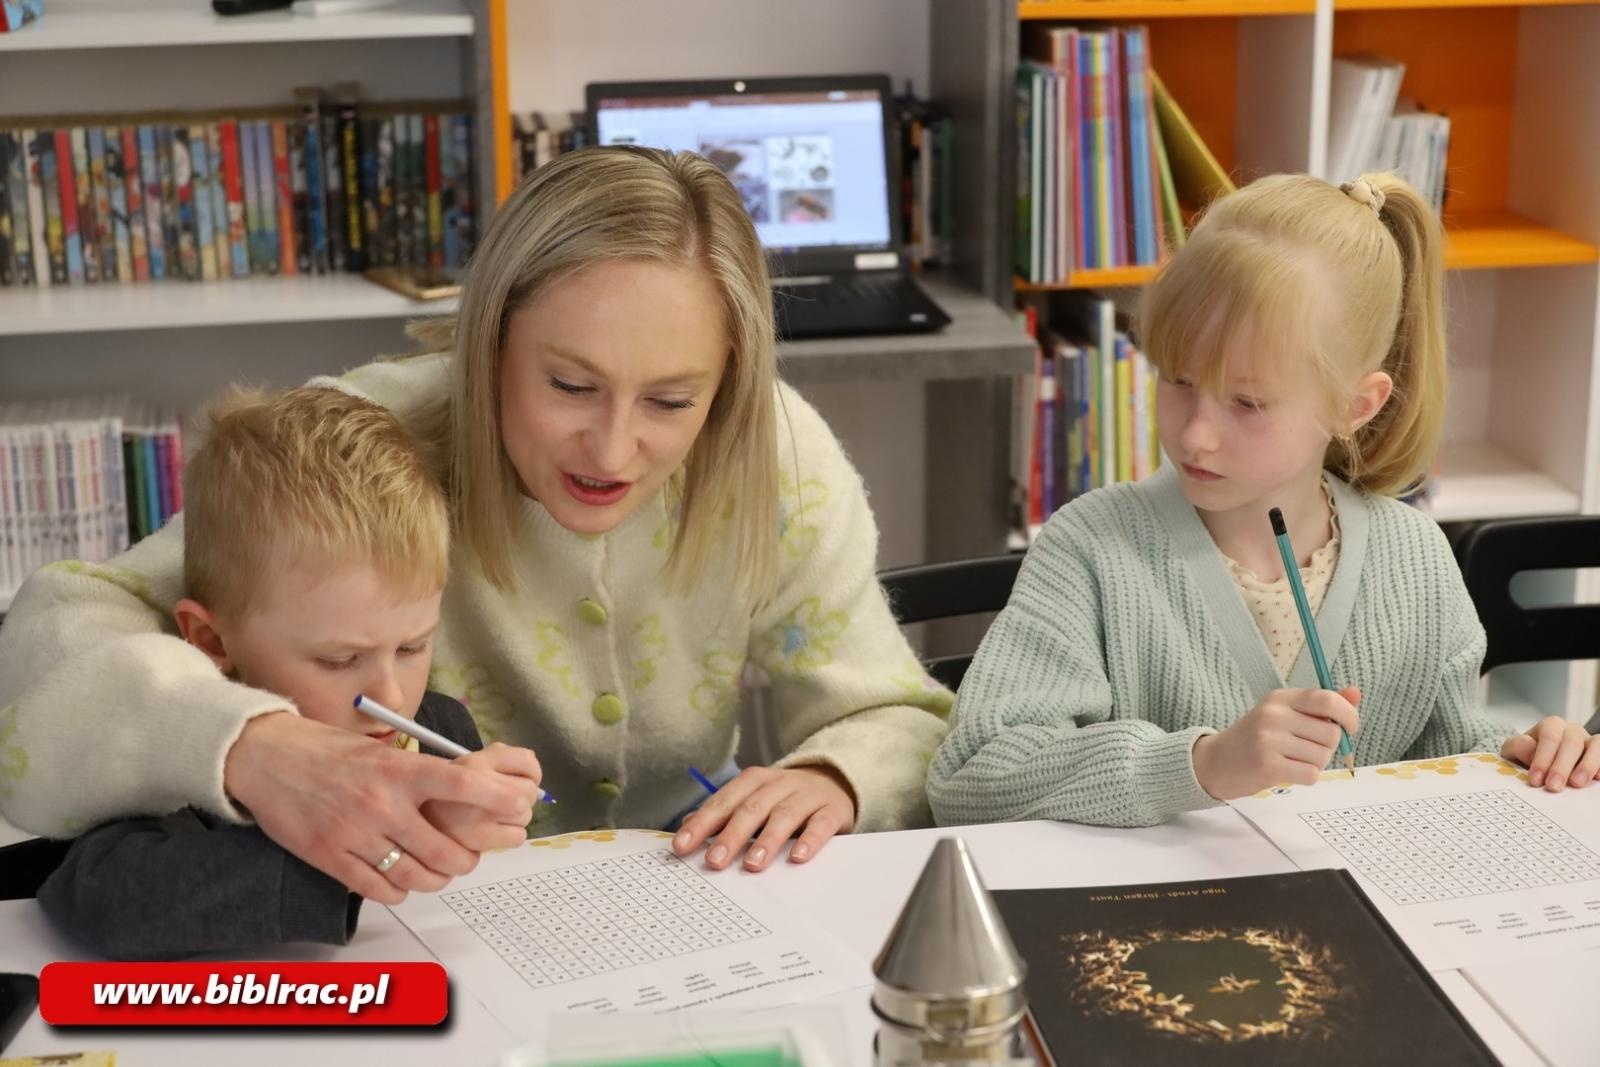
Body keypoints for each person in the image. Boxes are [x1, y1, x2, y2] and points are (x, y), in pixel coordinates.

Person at [0, 146, 951, 905]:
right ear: (489, 341)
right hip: (429, 914)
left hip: (692, 892)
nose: (613, 448)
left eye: (671, 400)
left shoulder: (774, 452)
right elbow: (54, 636)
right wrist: (250, 745)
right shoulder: (370, 441)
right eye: (569, 384)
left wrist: (836, 776)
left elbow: (898, 714)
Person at [927, 172, 1600, 829]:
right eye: (1178, 380)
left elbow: (1448, 752)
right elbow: (970, 778)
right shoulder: (1091, 547)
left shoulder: (1416, 559)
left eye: (1247, 402)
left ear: (1354, 405)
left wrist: (1521, 755)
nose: (1196, 433)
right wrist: (1200, 764)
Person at [37, 387, 540, 958]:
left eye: (412, 647)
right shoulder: (177, 762)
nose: (391, 695)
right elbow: (102, 901)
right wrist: (348, 853)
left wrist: (489, 816)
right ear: (211, 641)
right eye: (339, 660)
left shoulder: (441, 728)